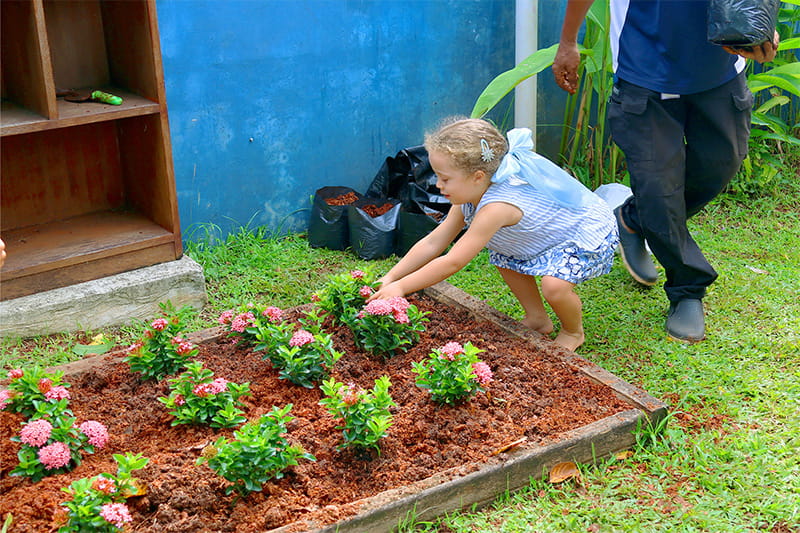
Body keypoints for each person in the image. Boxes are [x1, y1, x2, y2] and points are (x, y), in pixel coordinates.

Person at [552, 0, 779, 342]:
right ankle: (687, 288)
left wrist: (759, 23)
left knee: (722, 162)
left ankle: (633, 219)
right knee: (659, 188)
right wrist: (568, 42)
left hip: (719, 67)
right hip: (645, 68)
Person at [368, 118, 619, 351]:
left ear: (478, 177)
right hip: (543, 235)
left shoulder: (496, 208)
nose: (437, 185)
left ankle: (573, 332)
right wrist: (391, 277)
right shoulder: (468, 197)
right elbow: (435, 241)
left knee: (554, 287)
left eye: (444, 178)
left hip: (583, 230)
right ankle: (538, 319)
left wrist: (401, 287)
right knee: (505, 255)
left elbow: (453, 260)